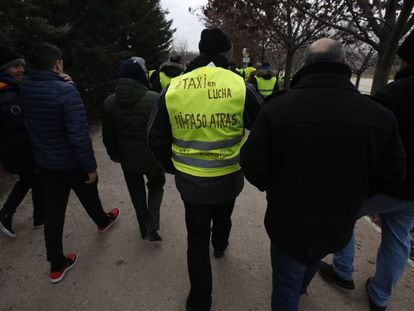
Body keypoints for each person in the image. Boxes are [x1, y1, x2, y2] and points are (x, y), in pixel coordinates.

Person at [240, 38, 406, 311]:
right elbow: (394, 174)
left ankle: (297, 290)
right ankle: (301, 287)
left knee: (286, 283)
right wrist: (357, 191)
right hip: (338, 219)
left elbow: (252, 163)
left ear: (306, 65)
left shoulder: (277, 108)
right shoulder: (378, 115)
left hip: (288, 217)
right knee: (312, 258)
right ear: (344, 63)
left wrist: (276, 187)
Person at [148, 28, 262, 311]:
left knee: (196, 241)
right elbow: (264, 130)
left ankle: (199, 301)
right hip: (228, 177)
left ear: (200, 52)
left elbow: (154, 137)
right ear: (226, 55)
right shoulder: (239, 86)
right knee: (223, 216)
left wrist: (172, 167)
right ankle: (221, 245)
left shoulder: (173, 88)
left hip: (191, 182)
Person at [319, 31, 414, 311]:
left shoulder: (397, 93)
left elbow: (369, 134)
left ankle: (343, 270)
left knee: (342, 212)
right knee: (398, 238)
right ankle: (380, 296)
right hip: (412, 194)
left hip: (386, 182)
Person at [21, 43, 120, 283]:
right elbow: (78, 134)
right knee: (89, 193)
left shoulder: (25, 89)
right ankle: (102, 221)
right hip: (71, 163)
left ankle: (56, 264)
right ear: (57, 63)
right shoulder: (65, 92)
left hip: (46, 162)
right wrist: (90, 167)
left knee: (54, 213)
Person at [102, 57, 165, 241]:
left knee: (136, 192)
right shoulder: (154, 98)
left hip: (127, 158)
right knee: (156, 186)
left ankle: (143, 228)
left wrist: (114, 154)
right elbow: (160, 130)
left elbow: (109, 135)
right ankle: (153, 224)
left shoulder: (110, 102)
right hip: (152, 157)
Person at [0, 47, 44, 238]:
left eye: (21, 66)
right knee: (30, 177)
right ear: (5, 69)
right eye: (16, 66)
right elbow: (17, 133)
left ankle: (39, 217)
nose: (21, 70)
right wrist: (32, 158)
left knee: (32, 179)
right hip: (18, 151)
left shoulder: (11, 88)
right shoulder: (7, 95)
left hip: (16, 150)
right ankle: (6, 214)